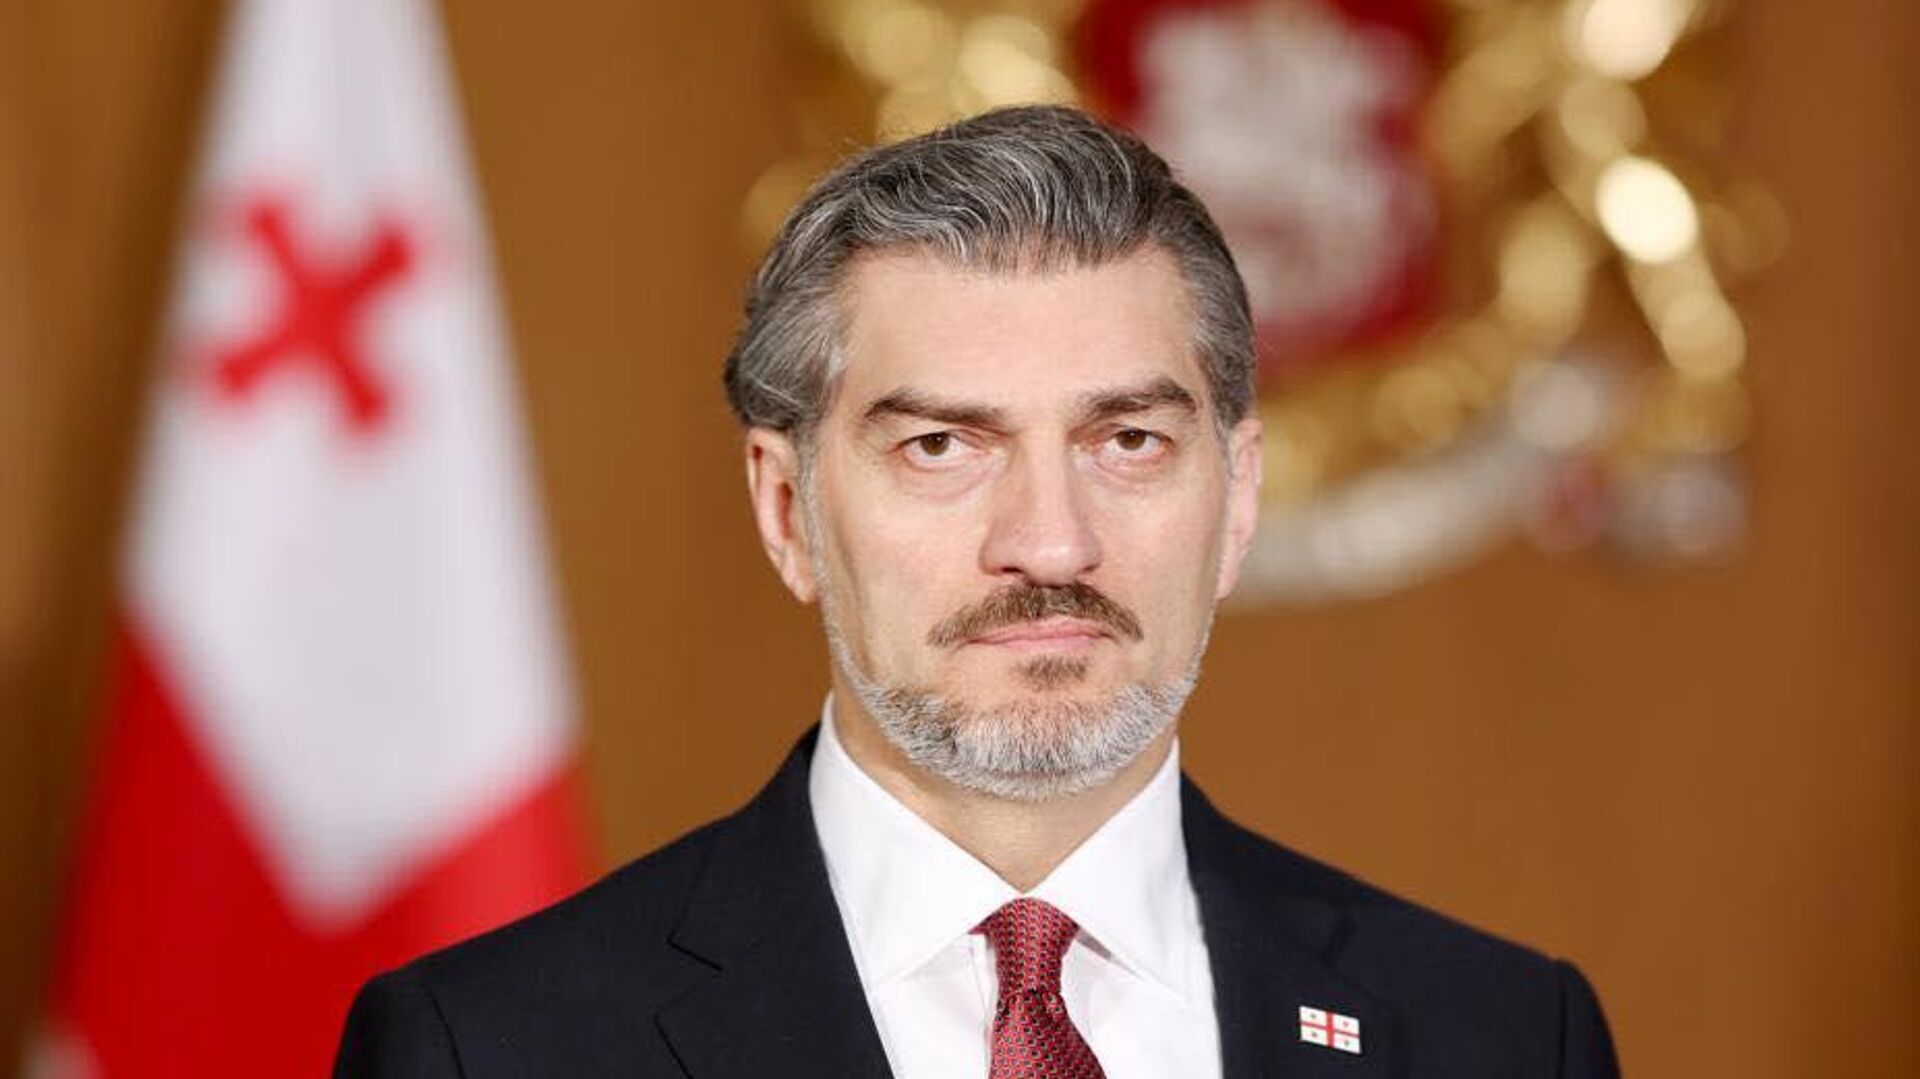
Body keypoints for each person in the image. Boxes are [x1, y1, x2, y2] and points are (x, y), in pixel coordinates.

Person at [334, 105, 1619, 1078]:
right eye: (943, 446)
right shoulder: (488, 1045)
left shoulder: (1506, 1036)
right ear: (787, 510)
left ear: (1235, 498)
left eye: (1128, 441)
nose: (1051, 544)